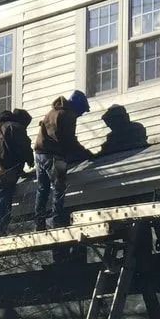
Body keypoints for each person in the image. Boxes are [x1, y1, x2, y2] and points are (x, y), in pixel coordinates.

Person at [33, 90, 94, 230]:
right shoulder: (68, 115)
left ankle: (39, 222)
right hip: (54, 155)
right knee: (59, 187)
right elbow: (69, 140)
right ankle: (56, 220)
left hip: (39, 154)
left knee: (42, 188)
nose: (81, 114)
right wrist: (86, 154)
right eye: (82, 111)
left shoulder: (53, 111)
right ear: (78, 106)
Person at [0, 108, 33, 239]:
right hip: (6, 171)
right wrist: (29, 160)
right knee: (2, 201)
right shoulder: (15, 127)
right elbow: (23, 147)